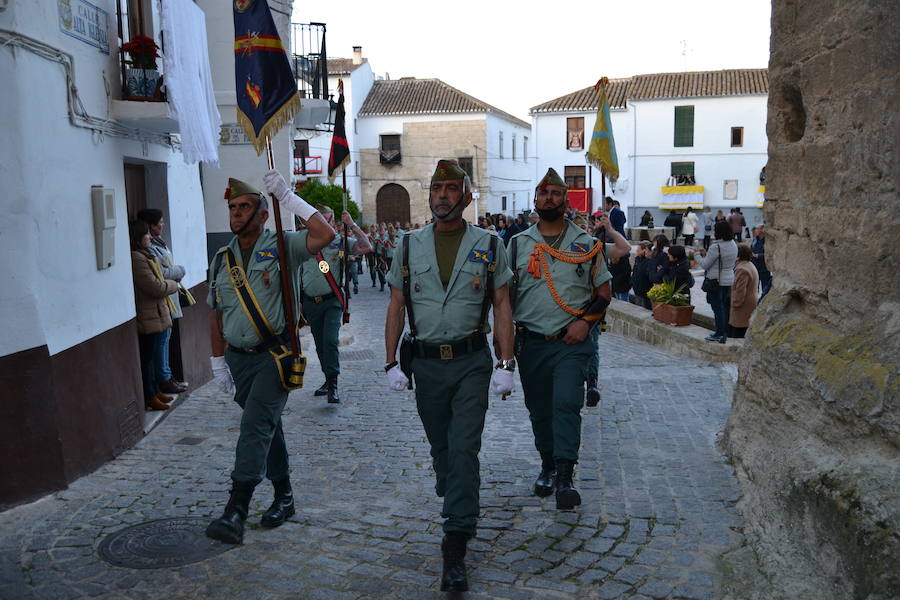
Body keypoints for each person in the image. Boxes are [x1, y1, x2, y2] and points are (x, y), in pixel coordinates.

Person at [384, 160, 515, 592]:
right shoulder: (406, 246)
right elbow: (396, 305)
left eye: (450, 188)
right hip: (425, 364)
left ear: (466, 194)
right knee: (441, 447)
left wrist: (505, 363)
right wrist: (389, 362)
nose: (442, 195)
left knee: (463, 449)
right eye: (436, 188)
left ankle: (455, 540)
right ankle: (452, 485)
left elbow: (501, 305)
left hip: (471, 362)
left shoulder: (489, 245)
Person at [204, 172, 335, 545]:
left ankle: (236, 508)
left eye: (245, 206)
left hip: (275, 356)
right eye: (232, 207)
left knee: (255, 426)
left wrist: (290, 199)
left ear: (263, 214)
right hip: (239, 359)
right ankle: (285, 495)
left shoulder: (281, 244)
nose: (237, 212)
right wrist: (217, 362)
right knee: (267, 426)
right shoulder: (222, 258)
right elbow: (216, 314)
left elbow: (325, 237)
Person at [508, 168, 612, 511]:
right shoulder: (519, 244)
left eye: (555, 193)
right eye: (543, 193)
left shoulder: (585, 244)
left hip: (571, 341)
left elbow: (603, 292)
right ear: (535, 201)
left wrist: (584, 324)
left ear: (566, 201)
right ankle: (548, 466)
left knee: (566, 403)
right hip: (531, 342)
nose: (549, 198)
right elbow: (505, 297)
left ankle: (566, 476)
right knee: (539, 409)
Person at [299, 207, 372, 404]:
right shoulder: (303, 242)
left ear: (333, 224)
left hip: (332, 300)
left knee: (330, 341)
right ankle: (327, 378)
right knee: (320, 344)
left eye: (328, 222)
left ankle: (333, 384)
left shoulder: (340, 242)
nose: (325, 225)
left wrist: (353, 225)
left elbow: (367, 247)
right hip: (310, 303)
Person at [137, 208, 189, 395]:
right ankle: (164, 379)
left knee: (165, 339)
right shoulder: (148, 249)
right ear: (150, 226)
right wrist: (180, 270)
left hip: (167, 299)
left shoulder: (158, 243)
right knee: (161, 341)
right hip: (161, 300)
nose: (163, 224)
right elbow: (162, 274)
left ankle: (167, 376)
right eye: (159, 221)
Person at [129, 220, 179, 412]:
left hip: (156, 312)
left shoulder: (145, 255)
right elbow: (154, 286)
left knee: (152, 354)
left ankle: (155, 390)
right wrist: (173, 284)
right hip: (148, 314)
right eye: (146, 234)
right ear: (138, 238)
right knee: (148, 357)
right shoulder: (137, 258)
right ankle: (150, 394)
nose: (150, 237)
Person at [698, 220, 738, 343]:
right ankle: (724, 332)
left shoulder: (716, 247)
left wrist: (696, 255)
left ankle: (719, 333)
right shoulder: (733, 244)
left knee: (717, 308)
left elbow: (705, 265)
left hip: (716, 281)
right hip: (728, 279)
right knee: (724, 307)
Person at [730, 243, 759, 338]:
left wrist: (734, 303)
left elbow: (740, 291)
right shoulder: (749, 265)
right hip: (750, 303)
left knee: (738, 334)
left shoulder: (742, 269)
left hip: (743, 306)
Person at [751, 224, 773, 300]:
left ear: (762, 229)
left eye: (757, 229)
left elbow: (770, 253)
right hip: (755, 267)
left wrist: (757, 255)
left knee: (765, 287)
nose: (755, 230)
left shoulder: (767, 241)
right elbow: (752, 249)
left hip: (764, 267)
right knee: (754, 287)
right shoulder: (755, 239)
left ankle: (764, 301)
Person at [630, 241, 654, 309]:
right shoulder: (638, 260)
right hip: (637, 291)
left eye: (638, 250)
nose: (636, 251)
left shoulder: (649, 261)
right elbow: (635, 273)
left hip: (645, 292)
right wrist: (632, 283)